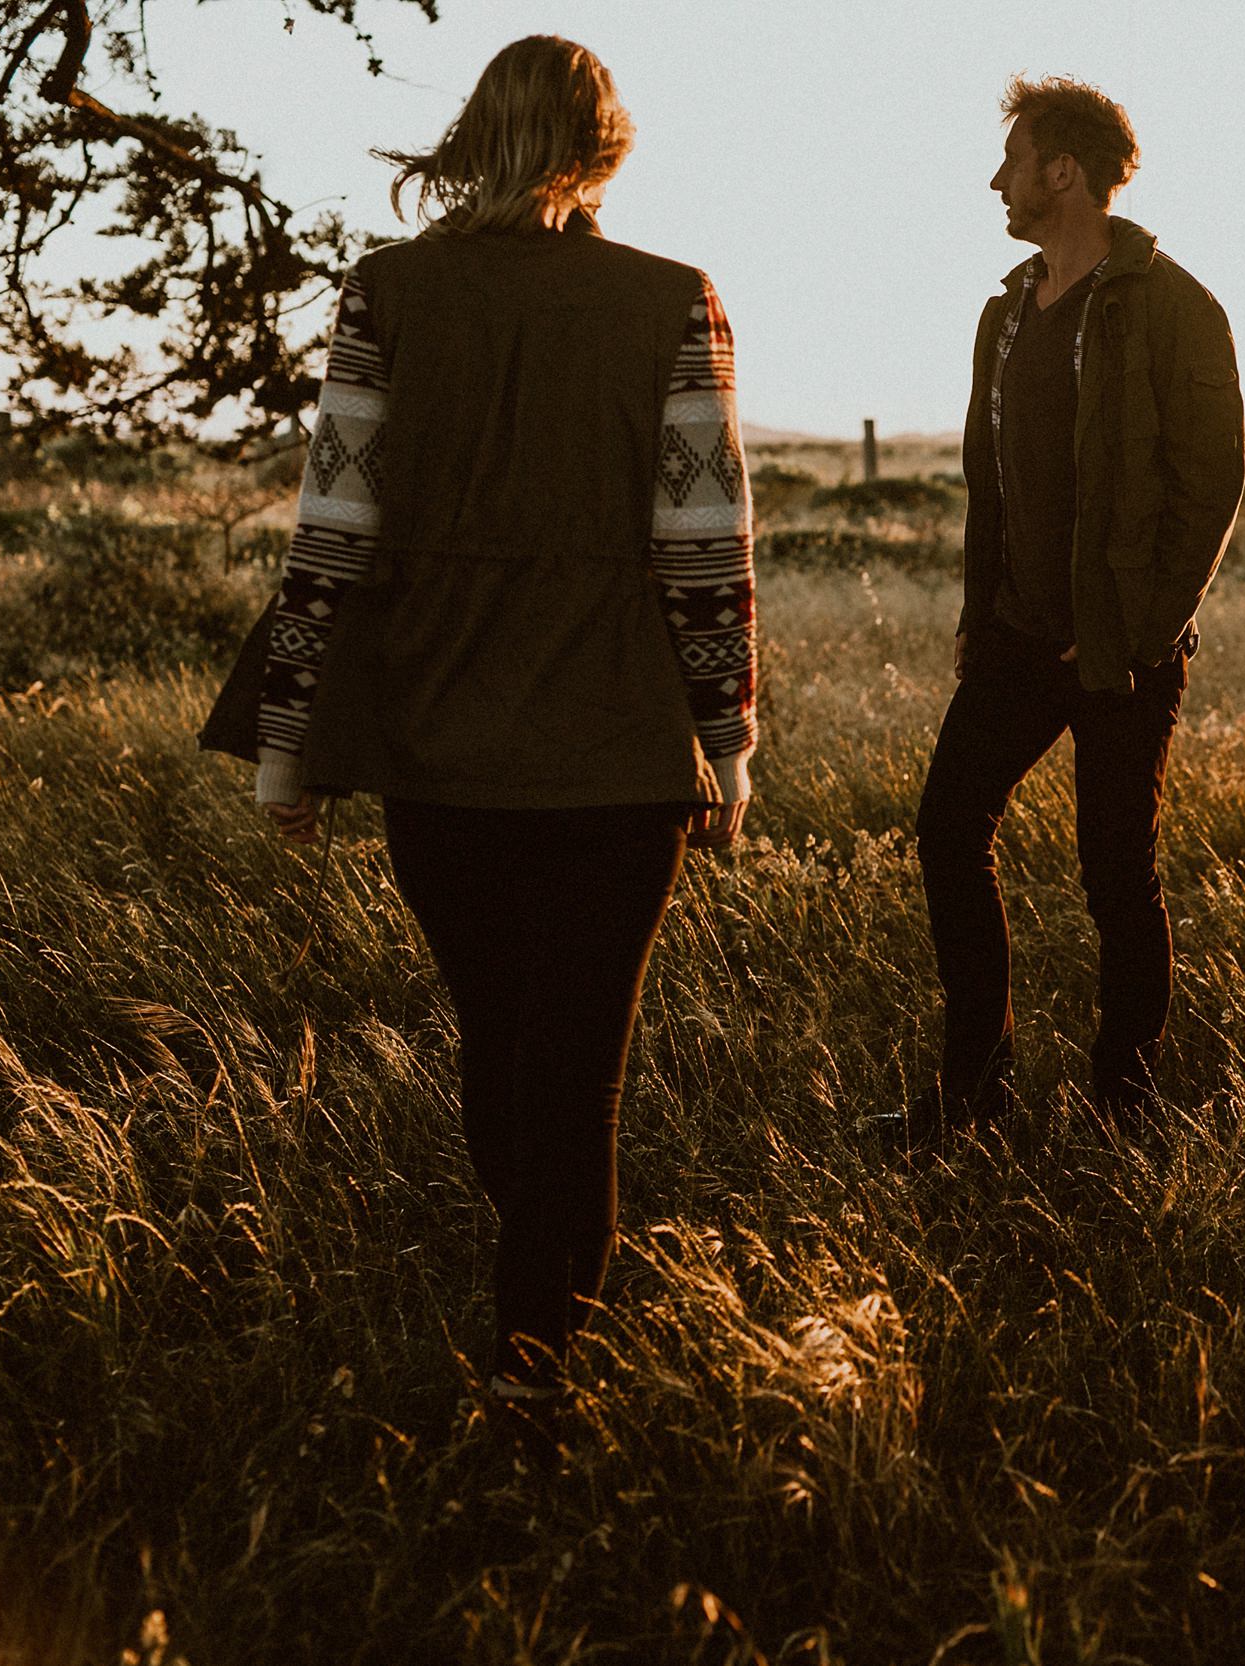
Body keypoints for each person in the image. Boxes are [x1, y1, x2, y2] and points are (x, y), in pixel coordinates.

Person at [205, 36, 758, 1412]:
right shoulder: (671, 298)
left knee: (506, 1046)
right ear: (602, 146)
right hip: (621, 753)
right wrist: (730, 740)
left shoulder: (387, 292)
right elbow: (705, 536)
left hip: (437, 745)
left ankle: (535, 1344)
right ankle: (544, 1362)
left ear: (473, 135)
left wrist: (291, 747)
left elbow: (330, 530)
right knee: (572, 1066)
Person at [913, 75, 1245, 1146]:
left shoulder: (1174, 307)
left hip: (1122, 650)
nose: (996, 181)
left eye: (1012, 160)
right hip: (1014, 636)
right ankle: (971, 1097)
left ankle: (1123, 1107)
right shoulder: (1003, 314)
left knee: (1116, 869)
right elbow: (989, 480)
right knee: (947, 827)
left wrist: (1142, 631)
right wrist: (980, 612)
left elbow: (1212, 485)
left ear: (1063, 170)